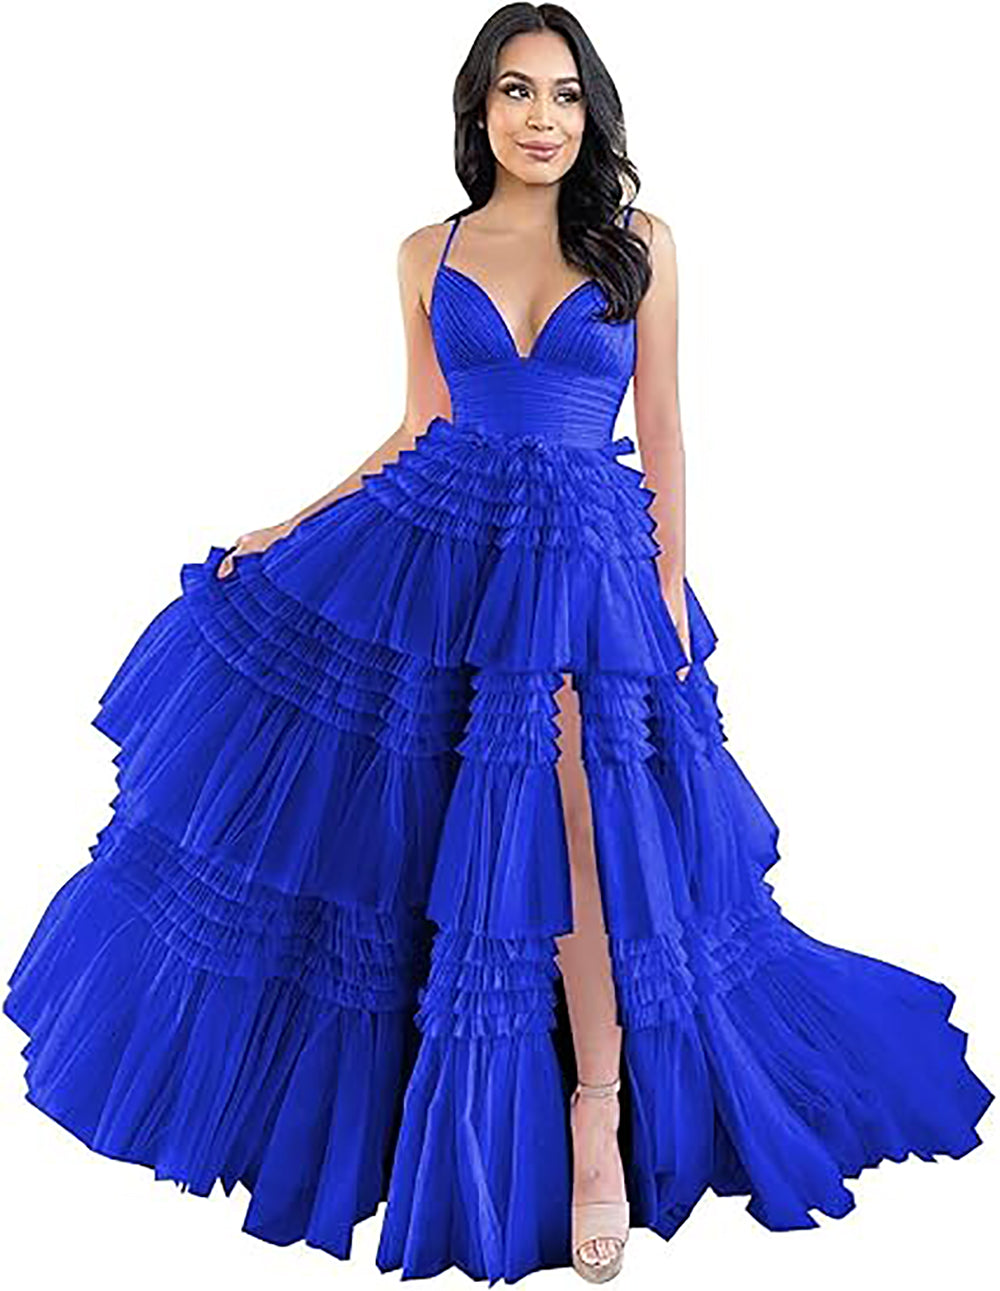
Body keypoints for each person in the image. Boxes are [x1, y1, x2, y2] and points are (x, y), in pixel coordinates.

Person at [4, 4, 992, 1286]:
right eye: (518, 92)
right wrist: (295, 522)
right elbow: (420, 422)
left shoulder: (639, 241)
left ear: (592, 113)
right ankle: (432, 1106)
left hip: (583, 563)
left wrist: (666, 593)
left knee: (575, 819)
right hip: (444, 543)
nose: (543, 118)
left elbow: (665, 428)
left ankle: (596, 1113)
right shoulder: (428, 249)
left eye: (566, 95)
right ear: (479, 108)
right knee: (411, 823)